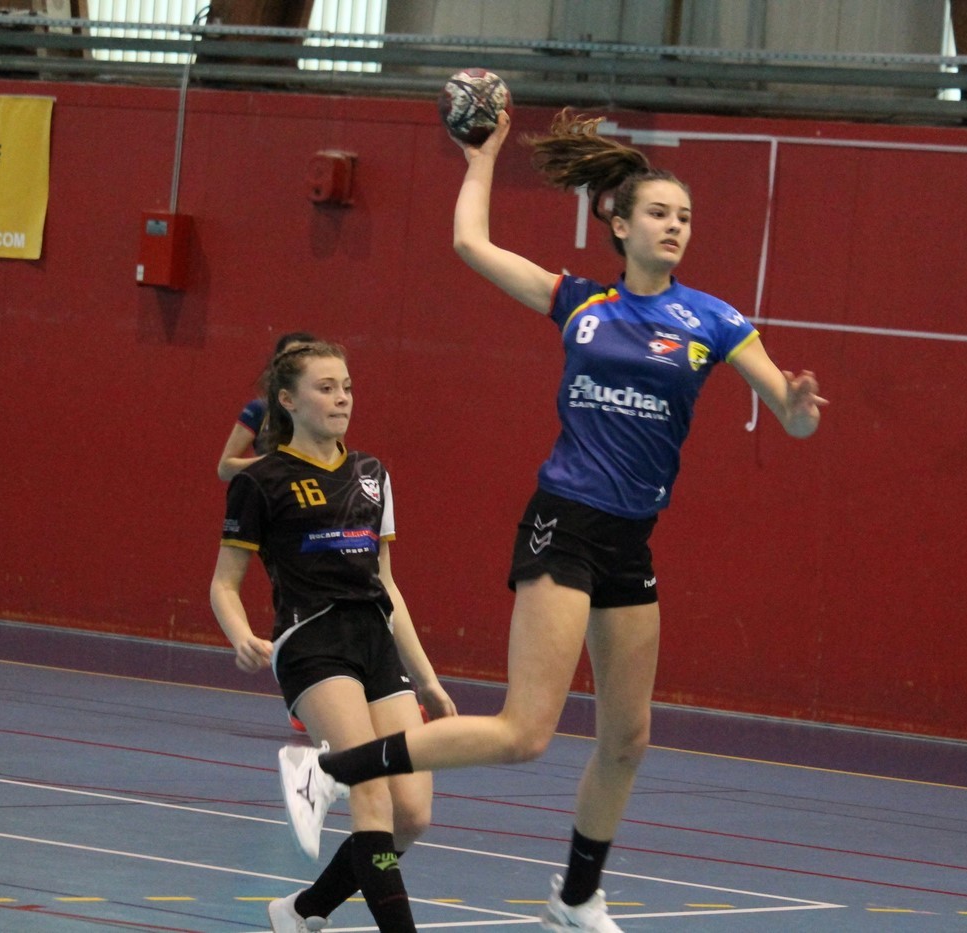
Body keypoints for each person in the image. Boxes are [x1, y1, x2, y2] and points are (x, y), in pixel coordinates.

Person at [278, 108, 826, 933]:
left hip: (629, 540)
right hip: (564, 524)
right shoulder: (581, 302)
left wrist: (800, 409)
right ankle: (330, 769)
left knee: (628, 737)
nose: (675, 226)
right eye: (659, 212)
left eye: (684, 217)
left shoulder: (714, 321)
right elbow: (471, 244)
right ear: (620, 223)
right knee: (524, 731)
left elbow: (789, 413)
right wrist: (484, 156)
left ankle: (574, 896)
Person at [209, 340, 456, 933]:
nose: (342, 398)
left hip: (374, 641)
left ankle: (302, 911)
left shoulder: (372, 474)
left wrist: (427, 680)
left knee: (412, 815)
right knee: (371, 792)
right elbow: (223, 583)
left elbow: (387, 584)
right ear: (288, 400)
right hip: (312, 641)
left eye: (346, 387)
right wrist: (241, 635)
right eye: (326, 388)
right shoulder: (261, 481)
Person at [218, 331, 317, 734]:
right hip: (274, 511)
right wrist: (273, 463)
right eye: (290, 358)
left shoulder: (317, 412)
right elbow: (225, 466)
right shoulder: (259, 411)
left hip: (311, 510)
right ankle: (301, 692)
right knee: (294, 593)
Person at [217, 331, 317, 483]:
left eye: (307, 358)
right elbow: (224, 469)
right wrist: (277, 461)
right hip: (271, 492)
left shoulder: (324, 412)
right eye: (292, 358)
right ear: (277, 365)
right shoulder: (260, 409)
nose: (300, 365)